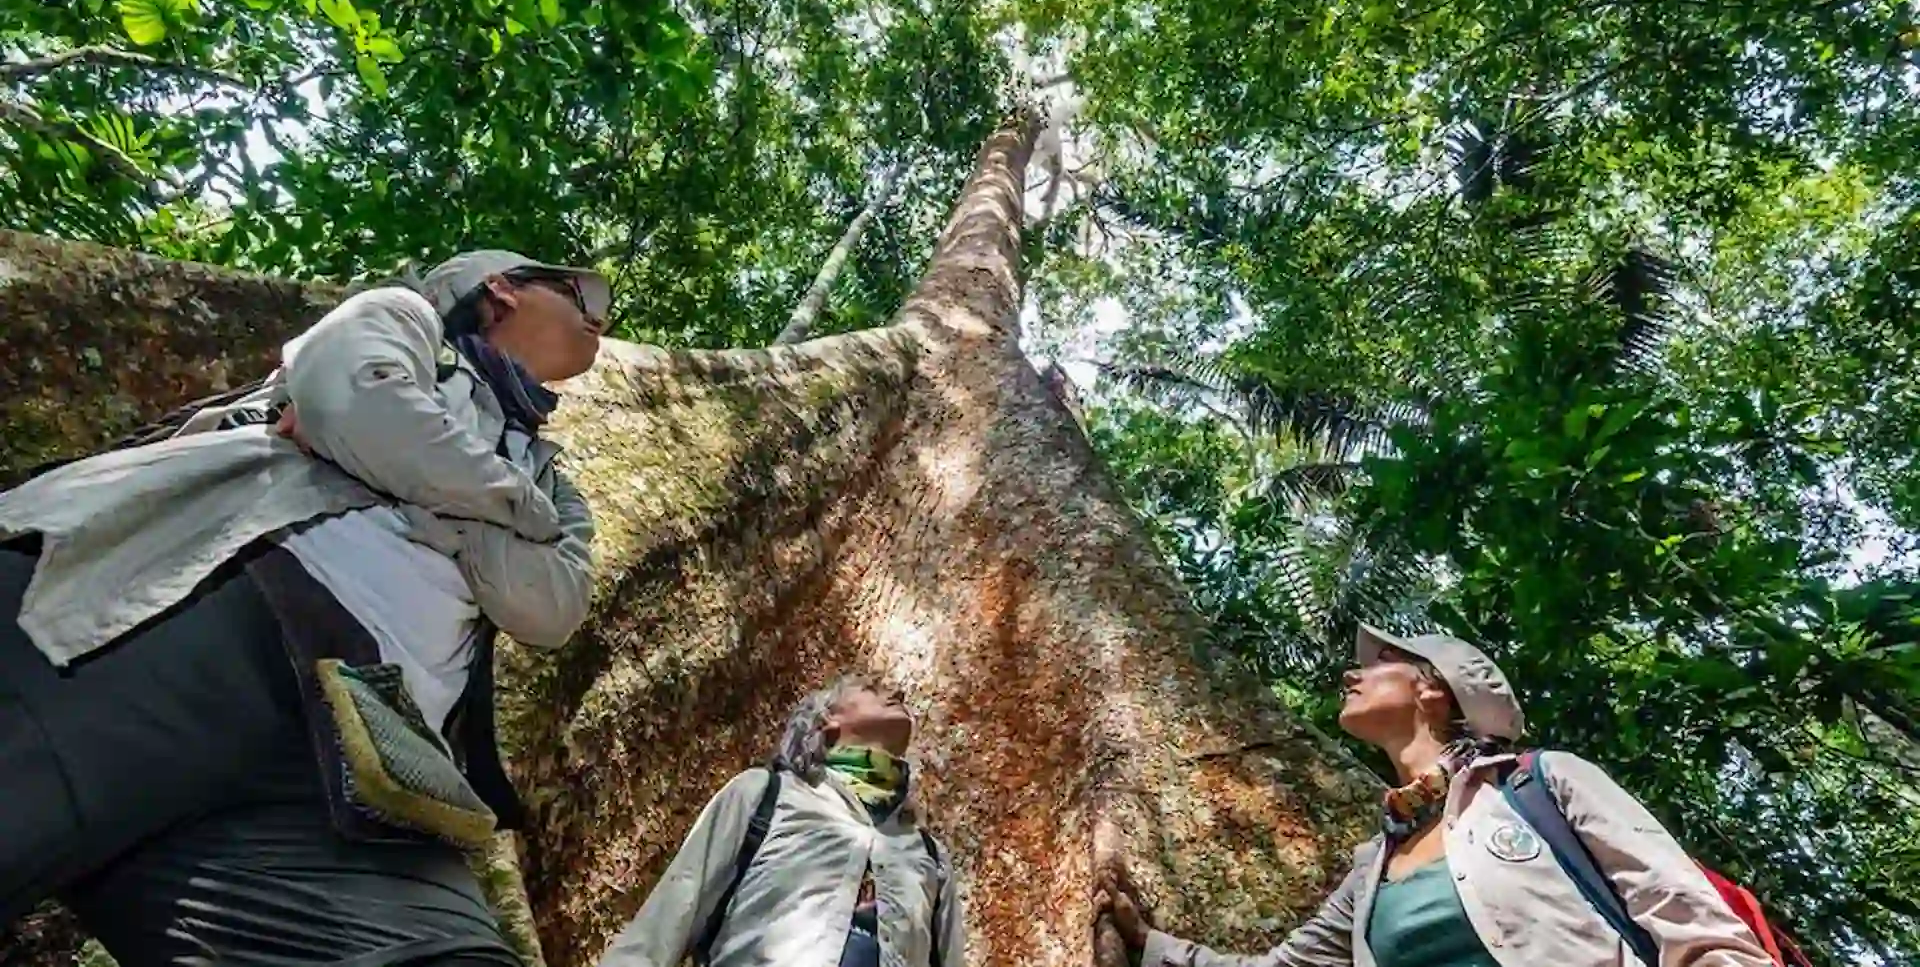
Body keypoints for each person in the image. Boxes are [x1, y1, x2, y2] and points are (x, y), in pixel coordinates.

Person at [0, 250, 608, 966]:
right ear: (501, 288)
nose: (599, 317)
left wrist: (428, 484)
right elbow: (360, 401)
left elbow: (551, 608)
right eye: (580, 293)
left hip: (367, 742)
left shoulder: (552, 480)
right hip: (191, 610)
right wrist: (506, 517)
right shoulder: (407, 320)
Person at [1095, 624, 1775, 967]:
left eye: (1373, 667)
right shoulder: (1374, 867)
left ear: (1433, 688)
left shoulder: (1542, 783)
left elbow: (1687, 916)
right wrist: (1148, 943)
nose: (1348, 676)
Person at [597, 675, 965, 967]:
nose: (896, 690)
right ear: (827, 722)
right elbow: (661, 927)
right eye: (869, 688)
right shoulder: (763, 797)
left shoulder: (929, 856)